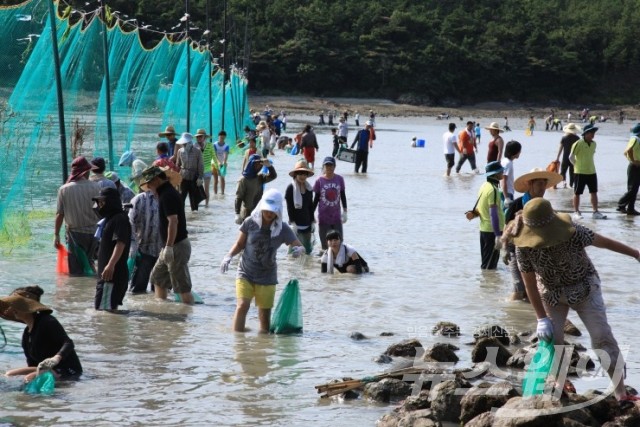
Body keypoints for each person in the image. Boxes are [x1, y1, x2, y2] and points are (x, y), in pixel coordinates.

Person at [504, 198, 640, 405]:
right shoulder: (523, 246)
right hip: (551, 294)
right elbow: (529, 284)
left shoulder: (571, 231)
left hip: (585, 287)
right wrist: (541, 319)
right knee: (552, 340)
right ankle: (560, 383)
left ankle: (621, 392)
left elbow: (603, 242)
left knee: (601, 337)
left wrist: (636, 254)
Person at [220, 189, 304, 333]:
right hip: (245, 271)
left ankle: (263, 348)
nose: (269, 213)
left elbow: (299, 246)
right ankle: (238, 345)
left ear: (278, 211)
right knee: (242, 306)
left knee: (264, 316)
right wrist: (228, 256)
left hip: (267, 276)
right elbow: (240, 244)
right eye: (266, 210)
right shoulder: (250, 222)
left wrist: (299, 250)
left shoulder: (282, 229)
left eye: (273, 211)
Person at [502, 168, 562, 300]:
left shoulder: (545, 207)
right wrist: (504, 249)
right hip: (516, 249)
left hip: (536, 251)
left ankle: (529, 318)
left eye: (544, 184)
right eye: (539, 184)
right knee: (519, 289)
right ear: (530, 184)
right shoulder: (517, 205)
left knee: (533, 291)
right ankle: (508, 313)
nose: (542, 188)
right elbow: (507, 228)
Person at [2, 286, 82, 381]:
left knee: (29, 378)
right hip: (46, 369)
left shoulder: (47, 321)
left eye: (16, 305)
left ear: (27, 307)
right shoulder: (26, 334)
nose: (11, 309)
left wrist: (56, 358)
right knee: (8, 374)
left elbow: (68, 343)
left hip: (67, 369)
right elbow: (32, 365)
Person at [141, 166, 195, 305]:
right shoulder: (166, 192)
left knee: (182, 287)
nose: (149, 187)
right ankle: (163, 309)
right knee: (157, 277)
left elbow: (173, 221)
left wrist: (169, 246)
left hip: (176, 246)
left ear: (157, 180)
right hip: (169, 246)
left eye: (150, 183)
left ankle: (187, 316)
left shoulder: (167, 195)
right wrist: (166, 247)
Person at [54, 156, 101, 276]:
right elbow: (101, 210)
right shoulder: (97, 187)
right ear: (85, 172)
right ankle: (91, 289)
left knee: (76, 271)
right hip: (95, 233)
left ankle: (80, 291)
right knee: (89, 262)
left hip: (75, 234)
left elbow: (60, 214)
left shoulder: (64, 190)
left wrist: (56, 235)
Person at [92, 187, 131, 311]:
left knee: (104, 312)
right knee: (107, 312)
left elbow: (120, 243)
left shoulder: (120, 219)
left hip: (112, 276)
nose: (100, 206)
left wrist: (110, 265)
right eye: (99, 203)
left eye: (103, 203)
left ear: (111, 202)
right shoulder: (110, 219)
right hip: (108, 275)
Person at [128, 180, 162, 294]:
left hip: (162, 250)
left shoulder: (166, 198)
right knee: (138, 289)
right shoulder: (140, 199)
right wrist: (133, 245)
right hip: (143, 249)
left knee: (160, 289)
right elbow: (130, 223)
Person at [569, 123, 606, 220]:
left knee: (594, 192)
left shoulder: (594, 144)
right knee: (577, 193)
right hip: (580, 172)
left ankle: (595, 212)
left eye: (593, 132)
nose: (593, 134)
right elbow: (571, 157)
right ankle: (576, 212)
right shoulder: (578, 143)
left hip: (592, 171)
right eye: (591, 132)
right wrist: (576, 166)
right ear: (585, 133)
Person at [313, 157, 347, 253]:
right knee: (325, 246)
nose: (329, 167)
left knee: (339, 244)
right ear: (324, 167)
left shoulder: (339, 179)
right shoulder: (319, 180)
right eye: (327, 165)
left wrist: (345, 211)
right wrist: (311, 215)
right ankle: (324, 264)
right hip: (323, 217)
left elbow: (343, 195)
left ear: (334, 166)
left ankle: (338, 264)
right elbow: (315, 199)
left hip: (336, 217)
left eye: (331, 165)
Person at [476, 161, 505, 269]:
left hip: (484, 229)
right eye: (501, 170)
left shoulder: (484, 186)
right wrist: (497, 235)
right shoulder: (493, 190)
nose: (503, 172)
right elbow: (493, 214)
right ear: (495, 174)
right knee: (490, 266)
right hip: (492, 231)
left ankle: (485, 283)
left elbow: (479, 208)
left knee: (486, 263)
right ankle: (488, 284)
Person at [235, 154, 277, 224]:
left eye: (260, 164)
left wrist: (269, 166)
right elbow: (239, 197)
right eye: (257, 164)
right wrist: (237, 214)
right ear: (251, 164)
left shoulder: (260, 178)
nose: (259, 166)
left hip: (258, 211)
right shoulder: (243, 180)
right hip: (246, 213)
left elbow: (273, 176)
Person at [285, 160, 316, 255]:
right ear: (295, 175)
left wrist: (312, 221)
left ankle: (306, 269)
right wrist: (292, 222)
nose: (302, 176)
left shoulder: (309, 189)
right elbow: (289, 207)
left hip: (307, 223)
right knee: (293, 253)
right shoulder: (290, 188)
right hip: (295, 225)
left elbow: (311, 206)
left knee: (307, 251)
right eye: (300, 174)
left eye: (304, 174)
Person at [175, 132, 204, 212]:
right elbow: (178, 165)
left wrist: (200, 177)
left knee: (194, 199)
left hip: (194, 178)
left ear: (190, 142)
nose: (184, 145)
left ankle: (194, 217)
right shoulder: (180, 151)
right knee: (181, 198)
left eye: (185, 143)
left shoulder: (197, 152)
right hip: (183, 177)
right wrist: (176, 177)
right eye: (183, 143)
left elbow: (200, 165)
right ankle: (181, 214)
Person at [617, 123, 640, 215]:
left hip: (637, 166)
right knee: (632, 189)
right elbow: (627, 151)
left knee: (635, 188)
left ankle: (631, 208)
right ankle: (621, 203)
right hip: (634, 166)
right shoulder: (635, 139)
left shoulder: (637, 139)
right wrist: (633, 161)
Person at [556, 123, 581, 189]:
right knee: (572, 171)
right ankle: (571, 184)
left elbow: (560, 148)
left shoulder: (564, 138)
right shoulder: (578, 138)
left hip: (565, 156)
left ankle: (564, 183)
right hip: (573, 157)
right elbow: (579, 150)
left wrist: (557, 157)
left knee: (563, 170)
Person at [500, 140, 522, 209]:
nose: (520, 153)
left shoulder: (504, 161)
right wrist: (506, 197)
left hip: (503, 192)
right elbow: (504, 180)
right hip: (507, 193)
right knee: (507, 215)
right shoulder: (508, 163)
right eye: (519, 151)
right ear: (515, 152)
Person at [194, 129, 214, 206]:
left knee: (206, 189)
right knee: (196, 189)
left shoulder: (210, 145)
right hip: (198, 171)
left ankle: (206, 205)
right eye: (197, 137)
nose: (198, 138)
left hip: (207, 170)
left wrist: (217, 168)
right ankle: (196, 205)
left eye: (200, 136)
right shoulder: (195, 145)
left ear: (204, 137)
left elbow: (214, 157)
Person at [212, 130, 230, 196]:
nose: (221, 138)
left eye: (223, 137)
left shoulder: (226, 146)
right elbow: (214, 155)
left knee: (222, 178)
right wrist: (218, 162)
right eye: (220, 137)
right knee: (216, 180)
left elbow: (226, 155)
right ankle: (215, 194)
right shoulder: (215, 144)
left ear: (225, 137)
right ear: (218, 137)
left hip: (223, 164)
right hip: (215, 163)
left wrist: (224, 162)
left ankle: (222, 193)